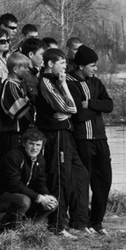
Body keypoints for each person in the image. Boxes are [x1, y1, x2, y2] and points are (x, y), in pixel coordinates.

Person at [35, 48, 89, 237]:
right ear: (51, 64)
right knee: (59, 178)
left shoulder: (58, 81)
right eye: (62, 63)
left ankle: (73, 222)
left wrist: (65, 85)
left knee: (75, 175)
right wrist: (66, 110)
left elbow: (71, 108)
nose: (65, 67)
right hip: (55, 135)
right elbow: (70, 108)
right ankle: (56, 226)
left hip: (65, 133)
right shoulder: (46, 82)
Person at [68, 45, 114, 235]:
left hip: (100, 139)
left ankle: (97, 221)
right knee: (82, 182)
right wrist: (95, 107)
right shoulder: (69, 83)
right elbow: (77, 113)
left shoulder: (96, 82)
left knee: (103, 180)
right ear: (81, 65)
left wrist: (91, 104)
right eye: (92, 65)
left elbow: (109, 105)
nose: (95, 69)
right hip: (81, 139)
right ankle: (80, 221)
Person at [0, 128, 58, 232]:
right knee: (24, 201)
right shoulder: (13, 156)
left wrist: (46, 196)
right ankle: (3, 230)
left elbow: (41, 182)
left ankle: (25, 229)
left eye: (38, 145)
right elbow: (14, 185)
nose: (34, 148)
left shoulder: (40, 159)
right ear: (24, 144)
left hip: (22, 194)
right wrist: (39, 198)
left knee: (52, 202)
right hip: (0, 195)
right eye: (31, 144)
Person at [0, 52, 35, 155]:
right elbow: (24, 115)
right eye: (25, 68)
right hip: (12, 135)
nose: (28, 70)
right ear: (15, 69)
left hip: (18, 134)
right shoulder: (11, 86)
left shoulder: (19, 86)